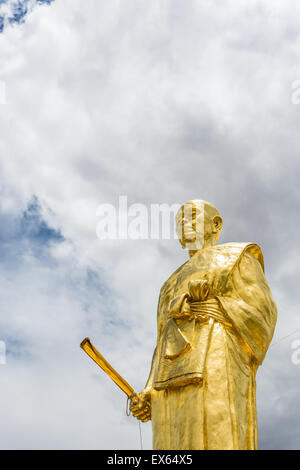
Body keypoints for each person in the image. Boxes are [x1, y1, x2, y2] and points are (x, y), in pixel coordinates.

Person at [130, 200, 277, 450]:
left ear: (215, 224)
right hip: (168, 376)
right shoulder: (169, 284)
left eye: (192, 216)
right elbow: (162, 340)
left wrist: (212, 304)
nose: (183, 223)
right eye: (178, 221)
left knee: (212, 433)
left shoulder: (235, 258)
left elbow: (262, 312)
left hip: (215, 354)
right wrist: (147, 389)